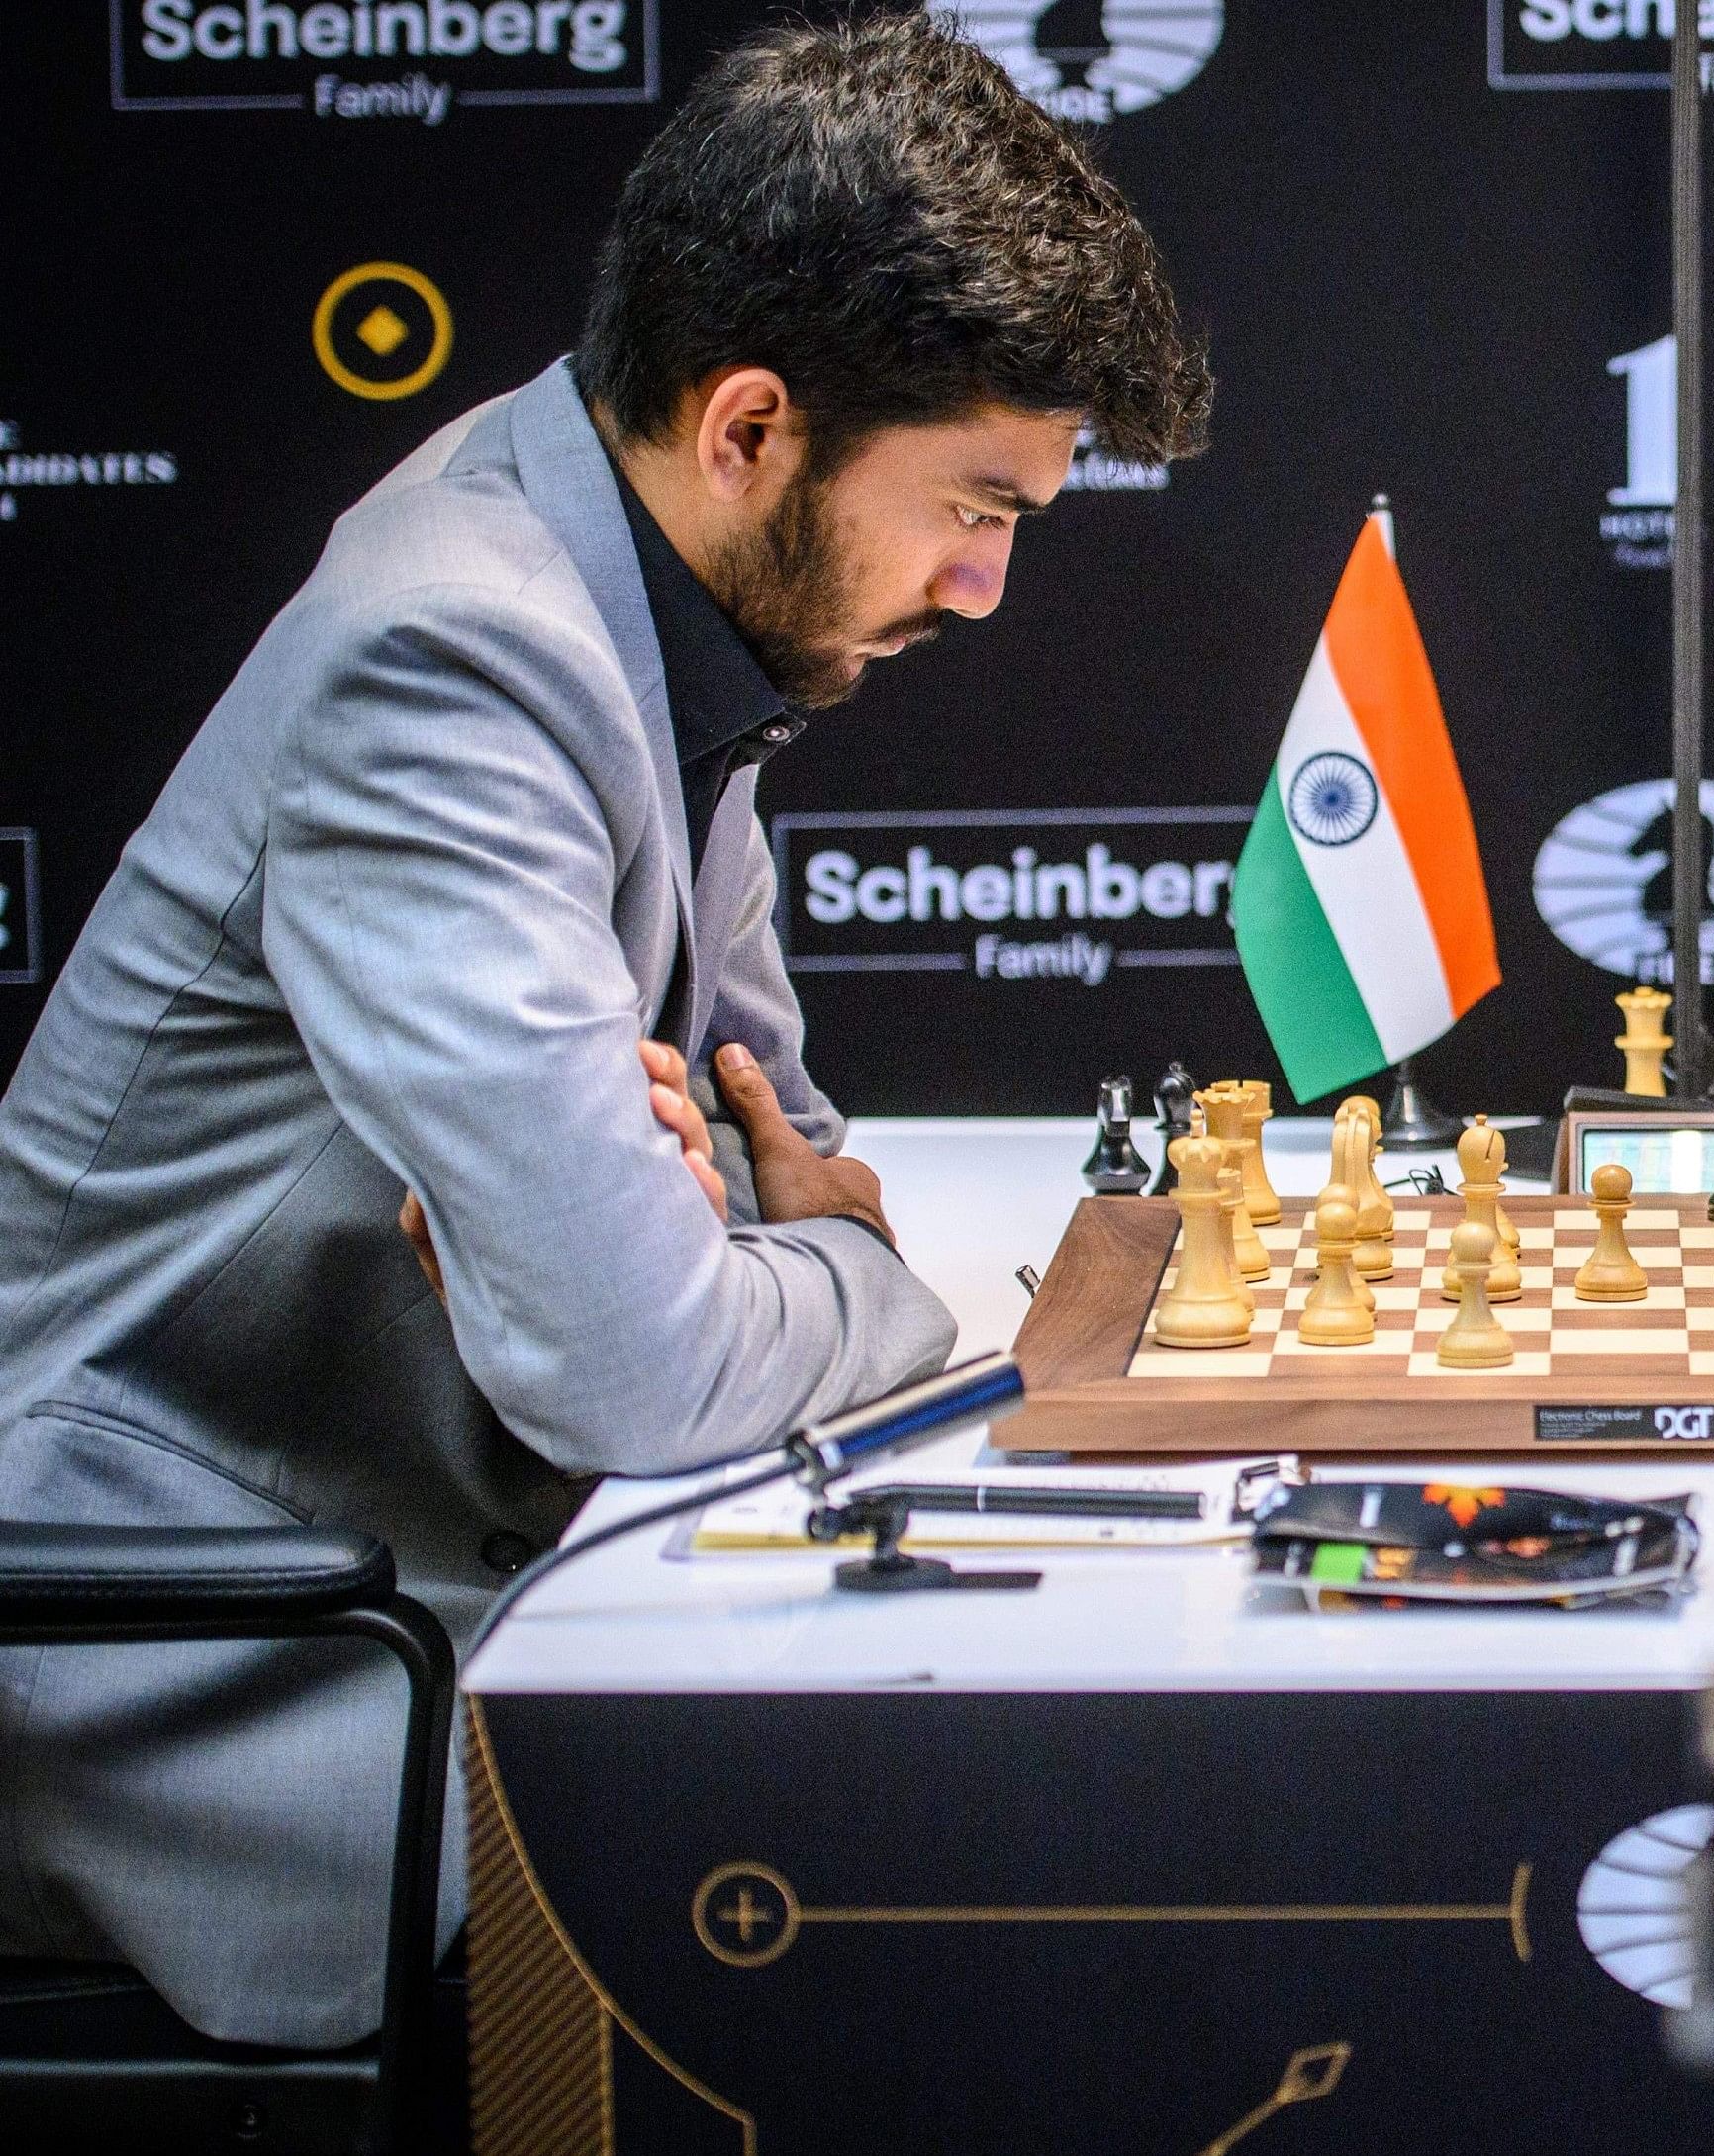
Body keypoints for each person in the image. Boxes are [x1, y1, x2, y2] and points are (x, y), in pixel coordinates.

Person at [0, 18, 1208, 2047]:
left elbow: (755, 1128)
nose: (987, 588)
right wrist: (849, 1271)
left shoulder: (653, 592)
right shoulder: (461, 656)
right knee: (937, 1884)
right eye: (972, 506)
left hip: (417, 1533)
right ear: (748, 428)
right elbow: (646, 1356)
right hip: (216, 1669)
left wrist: (733, 1226)